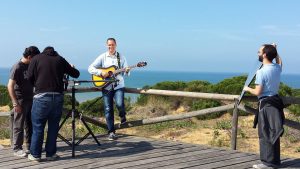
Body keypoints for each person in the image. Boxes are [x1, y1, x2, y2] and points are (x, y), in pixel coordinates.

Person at [27, 46, 80, 162]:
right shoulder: (60, 59)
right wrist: (71, 67)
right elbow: (76, 74)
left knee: (38, 126)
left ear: (44, 52)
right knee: (53, 127)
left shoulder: (36, 59)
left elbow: (29, 77)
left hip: (41, 97)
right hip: (57, 97)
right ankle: (51, 154)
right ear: (54, 52)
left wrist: (37, 85)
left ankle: (35, 155)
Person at [243, 43, 284, 169]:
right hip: (276, 104)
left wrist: (247, 88)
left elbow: (258, 92)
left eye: (259, 52)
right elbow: (279, 61)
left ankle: (267, 164)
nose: (258, 54)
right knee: (274, 132)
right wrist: (275, 50)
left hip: (266, 105)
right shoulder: (276, 68)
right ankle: (274, 162)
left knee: (265, 133)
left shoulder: (261, 72)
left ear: (264, 54)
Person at [88, 38, 130, 141]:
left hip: (119, 85)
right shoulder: (103, 57)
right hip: (106, 86)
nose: (111, 47)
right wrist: (101, 73)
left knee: (120, 104)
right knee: (108, 109)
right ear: (106, 45)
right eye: (109, 45)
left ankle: (122, 116)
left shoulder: (121, 57)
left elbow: (126, 72)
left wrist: (127, 71)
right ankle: (111, 132)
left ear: (116, 45)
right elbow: (90, 68)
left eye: (112, 45)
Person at [7, 46, 40, 157]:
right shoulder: (17, 67)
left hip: (31, 98)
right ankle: (17, 148)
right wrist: (15, 103)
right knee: (18, 125)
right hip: (20, 99)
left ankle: (30, 146)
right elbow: (10, 86)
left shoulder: (30, 65)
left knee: (30, 124)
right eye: (35, 58)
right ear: (30, 57)